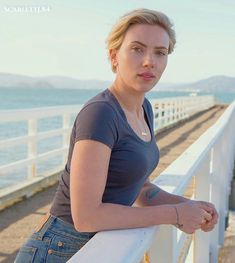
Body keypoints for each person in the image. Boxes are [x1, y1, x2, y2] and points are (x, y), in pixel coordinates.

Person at [15, 8, 218, 263]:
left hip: (102, 247)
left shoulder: (144, 108)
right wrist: (174, 214)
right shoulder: (100, 114)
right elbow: (86, 216)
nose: (149, 61)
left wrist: (188, 206)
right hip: (60, 250)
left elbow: (138, 187)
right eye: (137, 49)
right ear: (114, 57)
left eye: (160, 52)